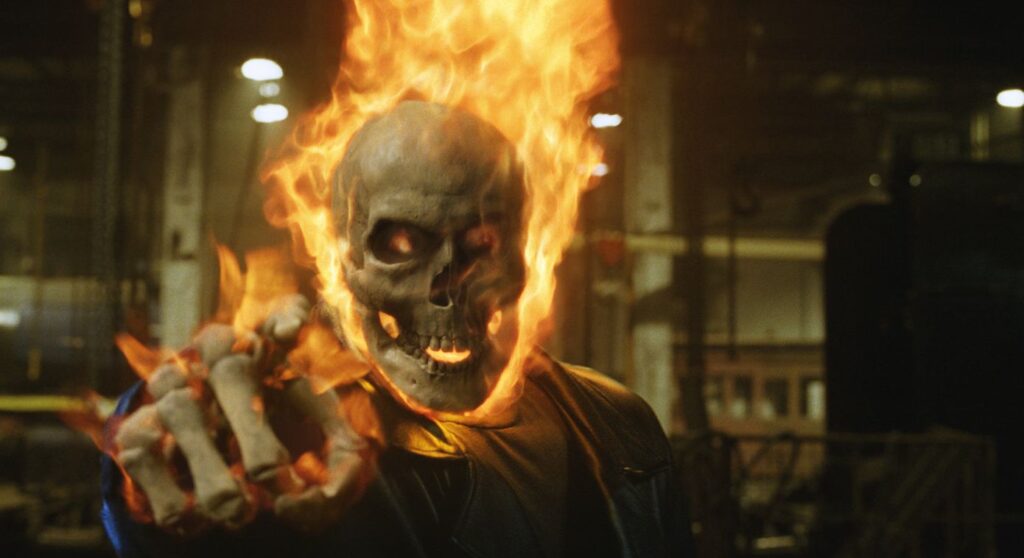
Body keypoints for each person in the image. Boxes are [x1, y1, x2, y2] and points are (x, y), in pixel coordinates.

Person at [101, 102, 692, 558]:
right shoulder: (319, 439)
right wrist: (177, 426)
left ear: (526, 256)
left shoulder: (621, 428)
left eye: (483, 245)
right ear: (343, 262)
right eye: (403, 244)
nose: (447, 289)